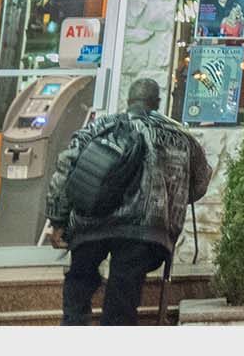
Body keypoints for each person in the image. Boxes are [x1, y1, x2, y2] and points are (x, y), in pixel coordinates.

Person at [47, 78, 213, 326]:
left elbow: (65, 167)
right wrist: (168, 198)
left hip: (91, 219)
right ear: (156, 103)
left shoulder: (101, 127)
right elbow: (199, 183)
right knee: (122, 299)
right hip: (144, 230)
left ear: (129, 100)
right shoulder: (182, 137)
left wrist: (58, 220)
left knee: (79, 282)